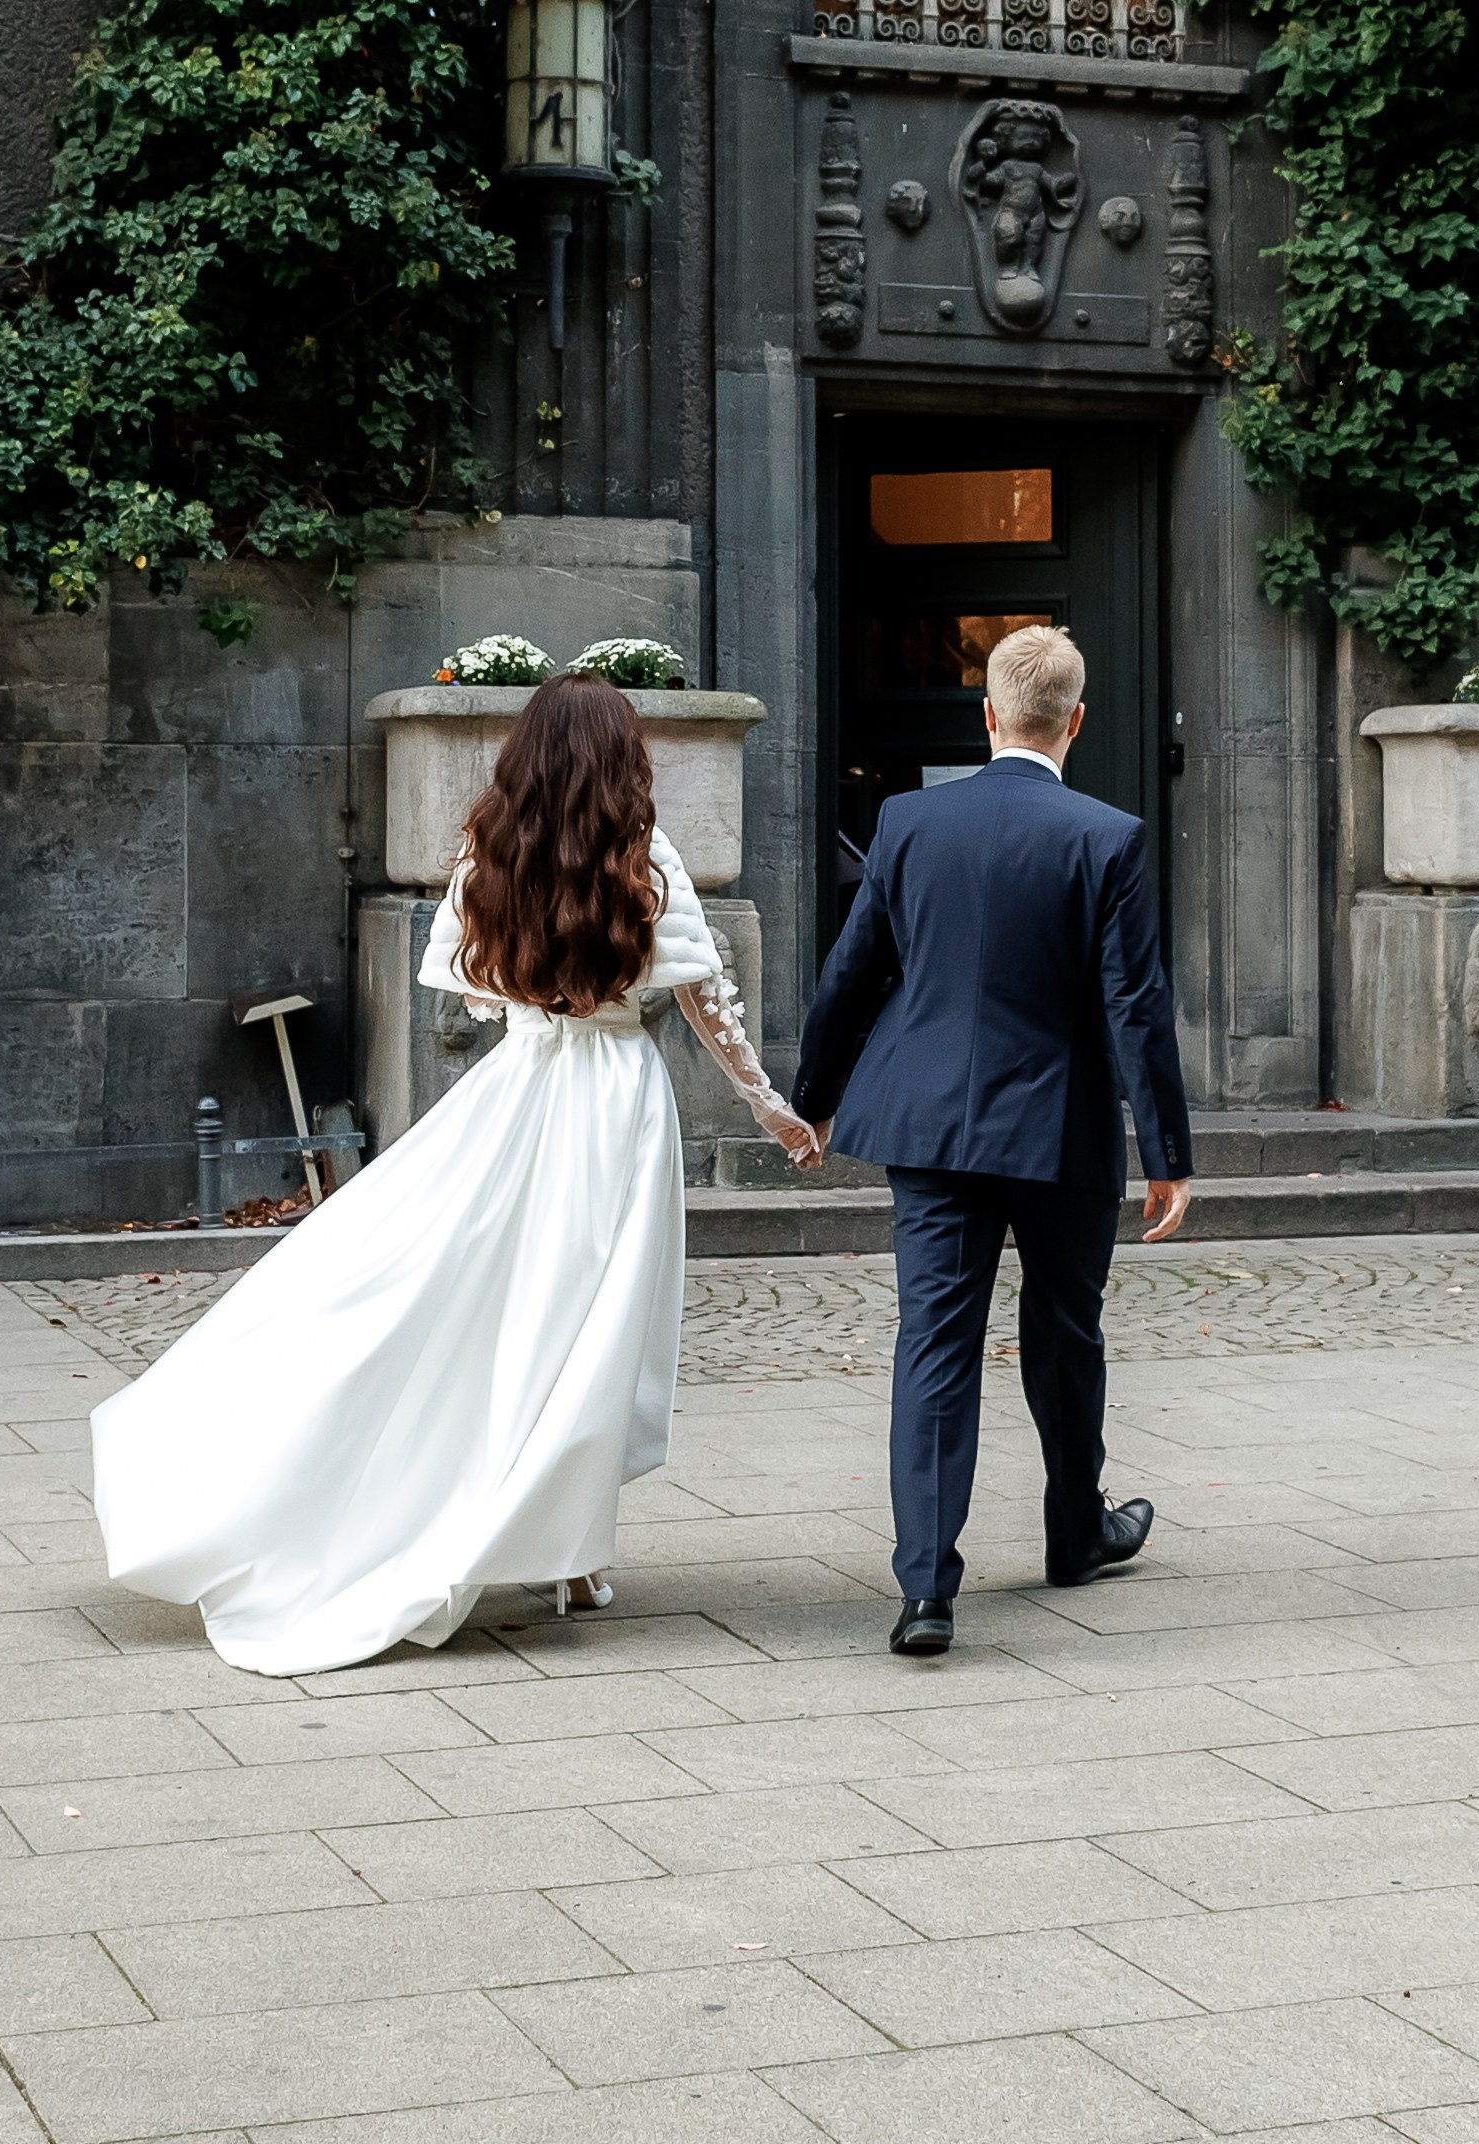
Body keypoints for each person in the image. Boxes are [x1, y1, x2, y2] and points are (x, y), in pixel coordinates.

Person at [92, 671, 821, 1673]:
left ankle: (520, 1528)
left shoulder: (491, 850)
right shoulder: (644, 856)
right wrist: (767, 1106)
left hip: (517, 1092)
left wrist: (536, 1002)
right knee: (588, 1324)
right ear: (624, 757)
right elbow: (706, 1003)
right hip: (614, 1101)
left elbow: (471, 997)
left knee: (472, 1294)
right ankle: (564, 1555)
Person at [791, 622, 1193, 1657]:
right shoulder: (1106, 837)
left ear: (988, 716)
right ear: (1077, 721)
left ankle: (926, 1589)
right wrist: (1168, 1152)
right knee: (1067, 1331)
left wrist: (816, 1098)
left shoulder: (908, 823)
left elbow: (853, 973)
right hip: (1057, 1126)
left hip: (927, 1124)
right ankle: (1074, 1535)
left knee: (934, 1342)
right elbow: (1134, 1007)